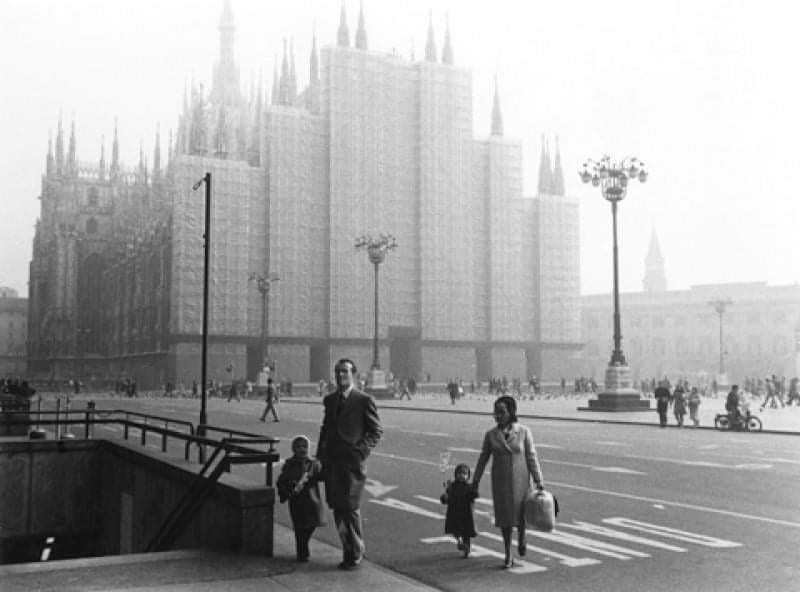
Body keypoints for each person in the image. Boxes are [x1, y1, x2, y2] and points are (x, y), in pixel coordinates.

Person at [316, 359, 383, 570]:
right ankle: (350, 548)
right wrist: (319, 457)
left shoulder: (364, 400)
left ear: (354, 374)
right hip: (332, 463)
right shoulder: (330, 400)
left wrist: (360, 451)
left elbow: (376, 431)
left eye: (345, 371)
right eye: (337, 371)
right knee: (337, 507)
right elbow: (325, 430)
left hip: (352, 464)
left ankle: (354, 551)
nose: (340, 375)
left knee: (350, 507)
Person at [472, 395, 544, 569]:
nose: (497, 415)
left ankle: (522, 536)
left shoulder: (524, 432)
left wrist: (538, 480)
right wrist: (475, 481)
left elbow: (531, 456)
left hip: (521, 480)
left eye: (501, 412)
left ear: (511, 412)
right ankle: (507, 553)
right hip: (501, 482)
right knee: (505, 518)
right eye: (495, 412)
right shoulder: (491, 435)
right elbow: (483, 459)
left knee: (521, 515)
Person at [277, 435, 325, 562]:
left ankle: (303, 546)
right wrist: (288, 489)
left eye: (304, 446)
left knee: (312, 524)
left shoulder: (313, 463)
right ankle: (302, 552)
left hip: (312, 499)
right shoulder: (289, 464)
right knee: (299, 527)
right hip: (297, 500)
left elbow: (321, 476)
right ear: (294, 449)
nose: (302, 449)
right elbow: (282, 481)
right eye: (298, 446)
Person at [440, 463, 478, 558]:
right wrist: (444, 497)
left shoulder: (469, 487)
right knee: (455, 530)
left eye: (464, 473)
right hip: (455, 513)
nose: (461, 475)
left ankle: (466, 548)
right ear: (456, 474)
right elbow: (447, 498)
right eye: (459, 473)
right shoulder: (452, 486)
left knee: (467, 533)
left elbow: (475, 495)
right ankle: (460, 541)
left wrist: (474, 490)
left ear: (468, 476)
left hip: (466, 514)